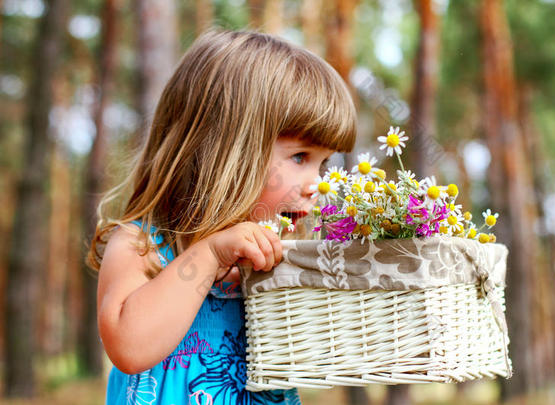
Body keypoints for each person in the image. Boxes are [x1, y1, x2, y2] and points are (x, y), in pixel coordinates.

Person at [86, 28, 357, 405]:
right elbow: (129, 348)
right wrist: (210, 255)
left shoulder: (276, 260)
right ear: (225, 149)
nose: (317, 184)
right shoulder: (144, 245)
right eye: (300, 157)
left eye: (323, 163)